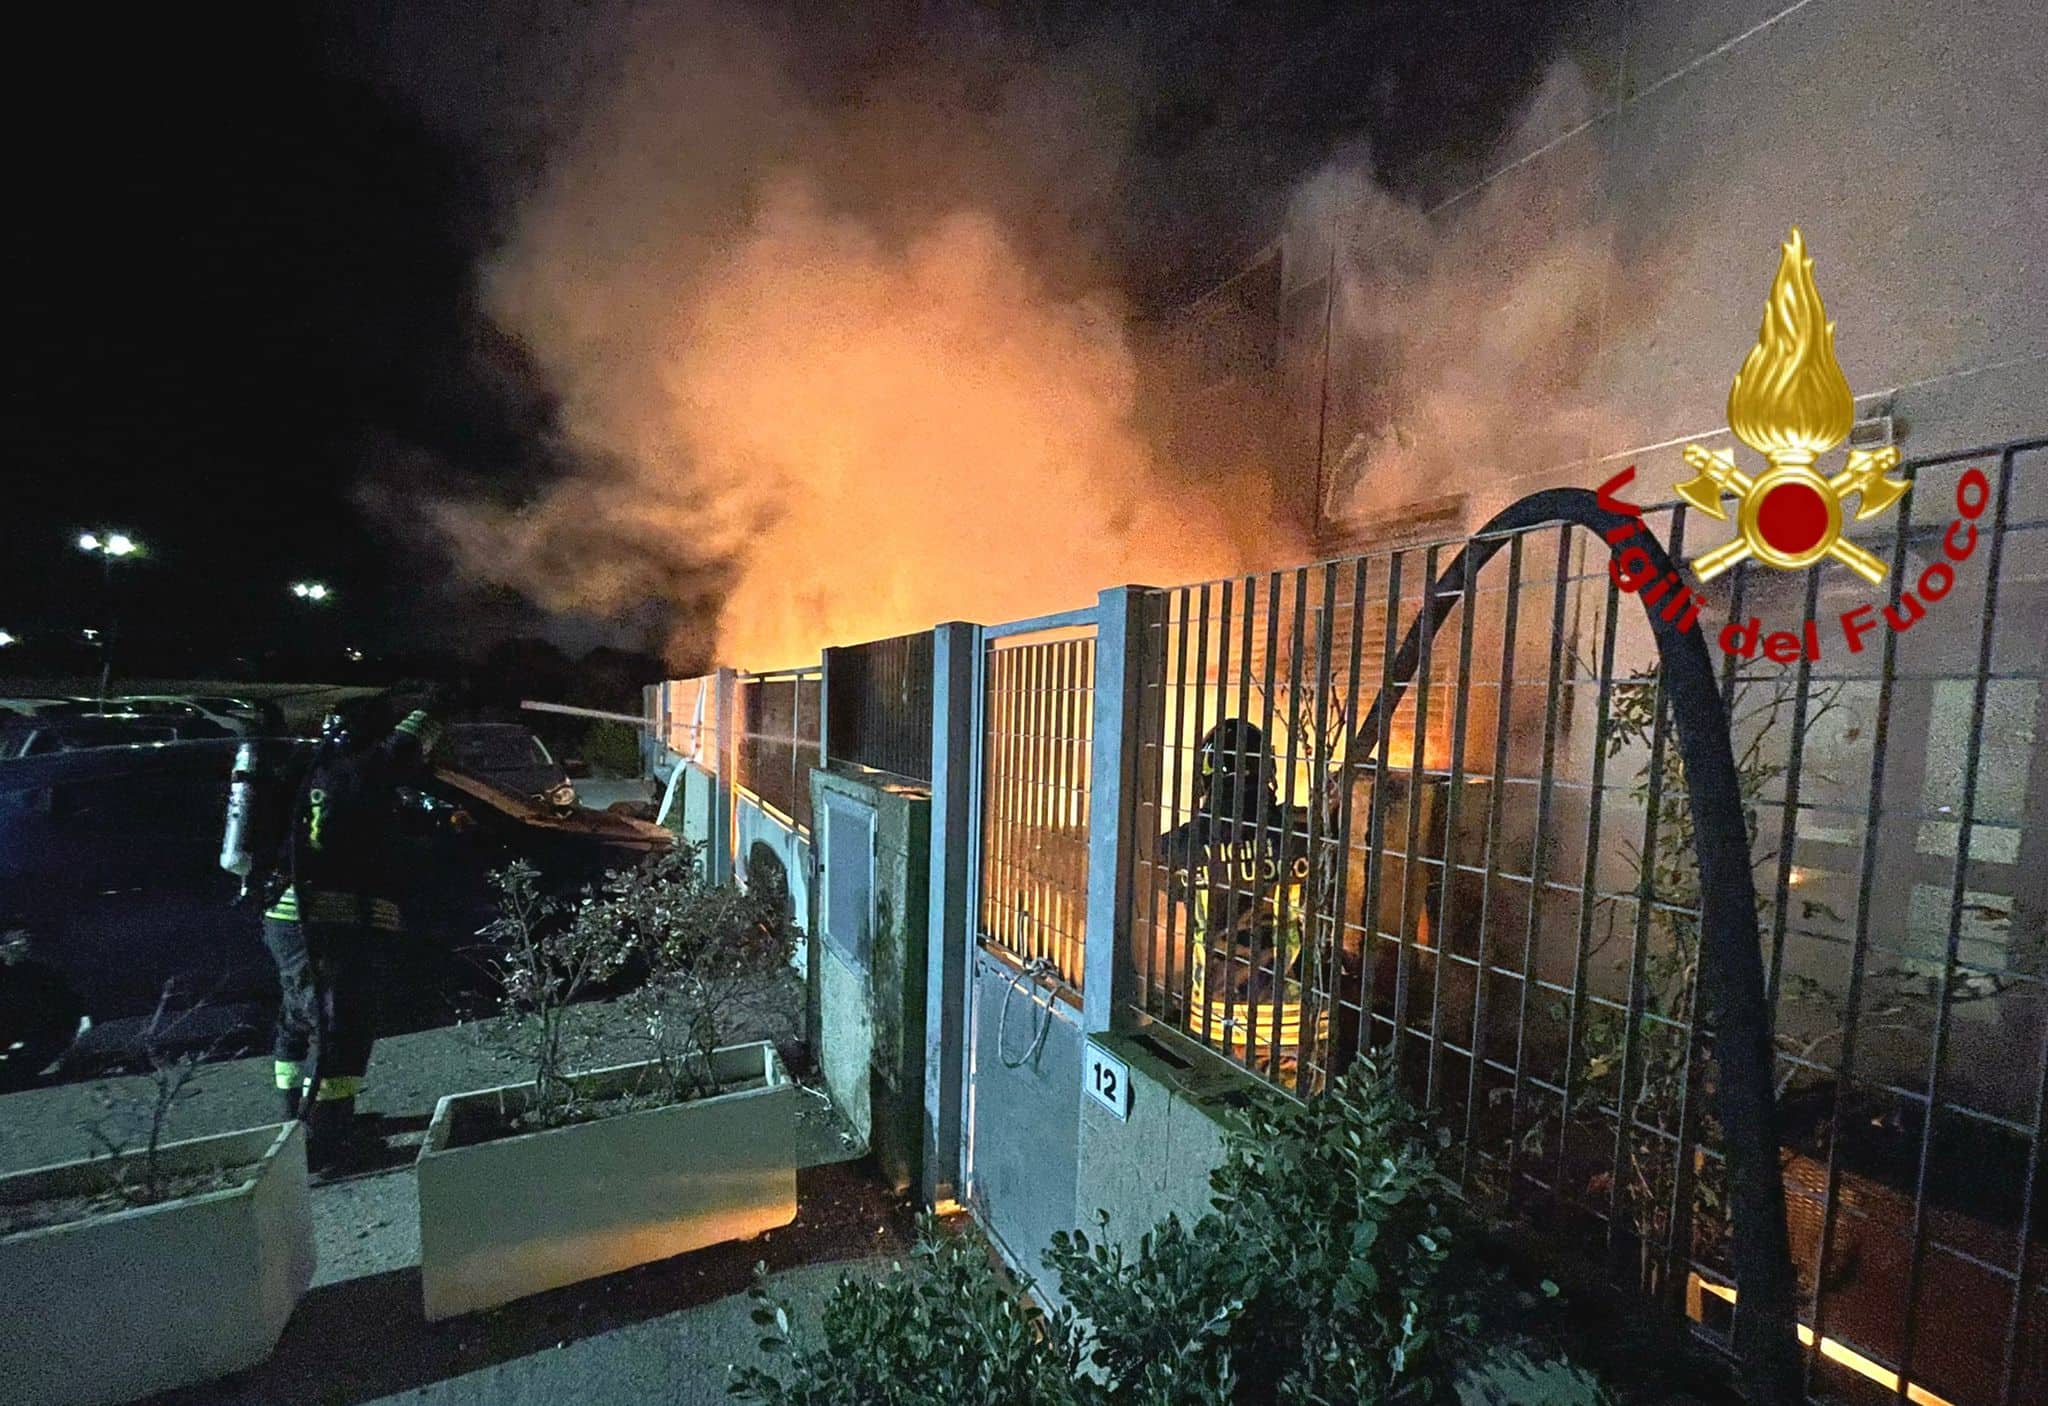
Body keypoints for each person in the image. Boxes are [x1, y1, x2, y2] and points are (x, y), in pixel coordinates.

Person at [262, 697, 443, 1169]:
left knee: (299, 1021)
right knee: (339, 1028)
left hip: (288, 917)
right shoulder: (369, 767)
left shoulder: (311, 766)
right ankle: (326, 1143)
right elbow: (409, 742)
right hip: (332, 919)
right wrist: (437, 704)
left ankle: (295, 1124)